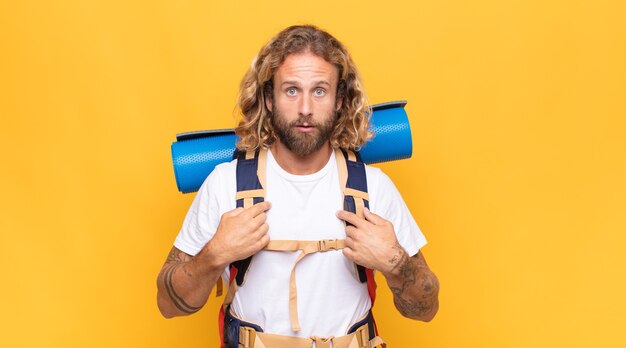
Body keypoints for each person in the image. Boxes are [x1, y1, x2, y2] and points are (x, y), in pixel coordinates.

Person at [157, 24, 439, 347]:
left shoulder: (375, 189)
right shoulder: (225, 184)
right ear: (269, 98)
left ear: (339, 101)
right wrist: (214, 254)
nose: (305, 108)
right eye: (291, 90)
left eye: (319, 90)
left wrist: (395, 262)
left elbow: (426, 309)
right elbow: (167, 305)